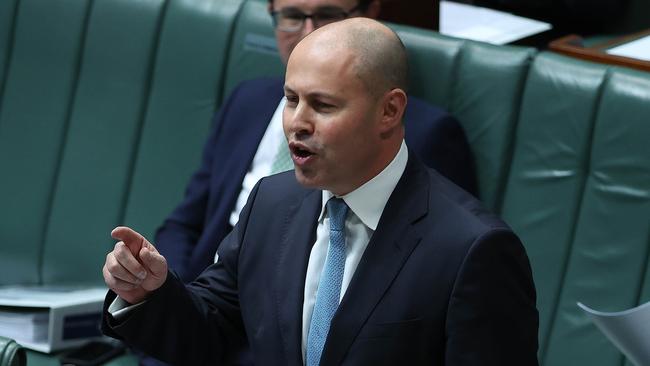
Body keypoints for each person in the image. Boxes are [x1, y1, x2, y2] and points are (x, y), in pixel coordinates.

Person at [102, 18, 538, 365]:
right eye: (291, 100)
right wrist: (149, 292)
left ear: (389, 110)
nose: (297, 123)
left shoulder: (473, 250)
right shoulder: (271, 203)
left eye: (323, 105)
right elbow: (211, 333)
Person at [154, 0, 477, 285]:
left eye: (328, 15)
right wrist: (169, 304)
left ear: (371, 13)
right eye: (292, 15)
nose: (308, 33)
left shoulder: (427, 134)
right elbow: (185, 223)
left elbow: (434, 272)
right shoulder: (246, 100)